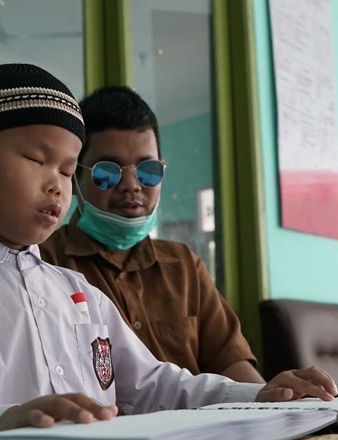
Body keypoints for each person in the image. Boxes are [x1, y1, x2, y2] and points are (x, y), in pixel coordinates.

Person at [0, 63, 338, 440]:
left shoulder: (83, 297)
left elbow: (156, 385)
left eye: (65, 169)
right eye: (37, 160)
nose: (57, 185)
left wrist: (257, 396)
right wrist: (1, 429)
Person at [39, 86, 264, 383]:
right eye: (108, 172)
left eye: (148, 171)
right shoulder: (44, 265)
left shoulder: (184, 266)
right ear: (75, 175)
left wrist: (279, 402)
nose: (132, 186)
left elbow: (232, 366)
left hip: (196, 427)